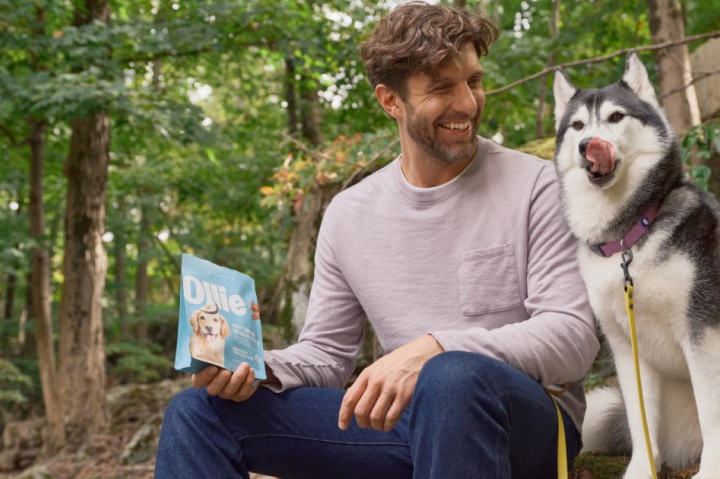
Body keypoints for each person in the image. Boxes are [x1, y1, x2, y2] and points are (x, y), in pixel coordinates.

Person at [155, 2, 599, 477]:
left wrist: (437, 347)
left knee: (451, 378)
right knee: (198, 413)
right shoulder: (349, 213)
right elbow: (326, 355)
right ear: (391, 101)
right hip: (403, 425)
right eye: (442, 88)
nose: (468, 104)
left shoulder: (539, 185)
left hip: (525, 424)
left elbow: (572, 338)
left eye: (473, 80)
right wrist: (259, 368)